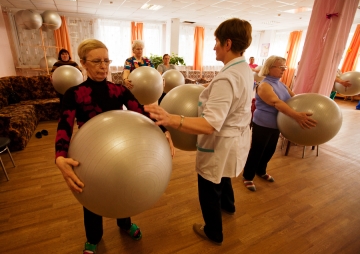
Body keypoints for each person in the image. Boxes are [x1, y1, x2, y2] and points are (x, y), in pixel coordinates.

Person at [54, 39, 175, 254]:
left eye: (106, 61)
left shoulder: (118, 90)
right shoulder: (73, 94)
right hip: (88, 151)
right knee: (90, 192)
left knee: (122, 181)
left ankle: (125, 223)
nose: (103, 66)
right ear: (83, 63)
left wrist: (164, 129)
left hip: (120, 150)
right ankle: (93, 237)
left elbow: (141, 111)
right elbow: (65, 125)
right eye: (97, 61)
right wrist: (60, 156)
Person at [144, 18, 254, 245]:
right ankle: (229, 206)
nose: (214, 46)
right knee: (223, 176)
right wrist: (204, 87)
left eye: (216, 41)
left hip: (221, 141)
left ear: (228, 43)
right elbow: (227, 94)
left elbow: (210, 124)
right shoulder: (244, 69)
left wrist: (171, 118)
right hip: (235, 138)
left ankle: (213, 231)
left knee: (209, 184)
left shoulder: (227, 77)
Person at [242, 56, 317, 192]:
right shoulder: (264, 85)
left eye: (284, 67)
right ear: (270, 68)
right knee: (257, 151)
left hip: (277, 124)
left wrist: (309, 105)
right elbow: (276, 103)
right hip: (263, 123)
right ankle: (248, 176)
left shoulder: (281, 84)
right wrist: (296, 116)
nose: (283, 70)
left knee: (269, 150)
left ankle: (261, 171)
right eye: (280, 67)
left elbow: (294, 98)